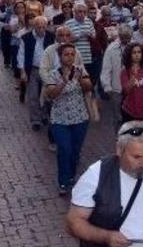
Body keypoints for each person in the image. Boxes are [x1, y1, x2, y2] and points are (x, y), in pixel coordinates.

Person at [65, 121, 143, 247]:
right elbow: (73, 222)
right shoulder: (96, 175)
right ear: (119, 150)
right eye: (136, 157)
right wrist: (106, 237)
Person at [45, 43, 93, 195]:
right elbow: (50, 94)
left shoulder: (80, 70)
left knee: (75, 151)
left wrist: (80, 80)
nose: (70, 57)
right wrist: (64, 81)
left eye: (72, 54)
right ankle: (63, 181)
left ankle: (71, 176)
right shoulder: (53, 74)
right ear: (60, 57)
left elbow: (89, 86)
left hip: (80, 118)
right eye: (66, 54)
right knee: (64, 149)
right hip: (60, 119)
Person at [18, 16, 56, 131]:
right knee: (33, 95)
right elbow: (21, 55)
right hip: (33, 69)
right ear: (34, 27)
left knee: (47, 95)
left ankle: (44, 115)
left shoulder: (51, 36)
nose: (41, 30)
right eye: (39, 27)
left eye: (43, 27)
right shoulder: (25, 38)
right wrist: (23, 71)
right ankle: (35, 120)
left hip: (47, 70)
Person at [101, 24, 133, 126]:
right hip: (117, 88)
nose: (126, 40)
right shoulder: (111, 49)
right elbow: (106, 69)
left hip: (133, 87)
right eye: (123, 38)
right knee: (118, 117)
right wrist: (107, 87)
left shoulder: (134, 47)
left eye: (128, 38)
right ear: (119, 36)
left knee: (131, 114)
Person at [120, 44, 143, 122]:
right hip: (129, 111)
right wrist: (132, 81)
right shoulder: (125, 71)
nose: (137, 55)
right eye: (134, 53)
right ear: (129, 55)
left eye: (139, 52)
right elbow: (126, 91)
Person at [66, 3, 97, 94]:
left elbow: (94, 36)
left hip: (87, 58)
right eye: (79, 12)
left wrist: (90, 35)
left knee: (87, 83)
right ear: (74, 12)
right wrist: (80, 35)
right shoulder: (69, 23)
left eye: (84, 12)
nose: (82, 14)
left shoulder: (89, 22)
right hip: (74, 59)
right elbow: (66, 40)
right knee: (74, 82)